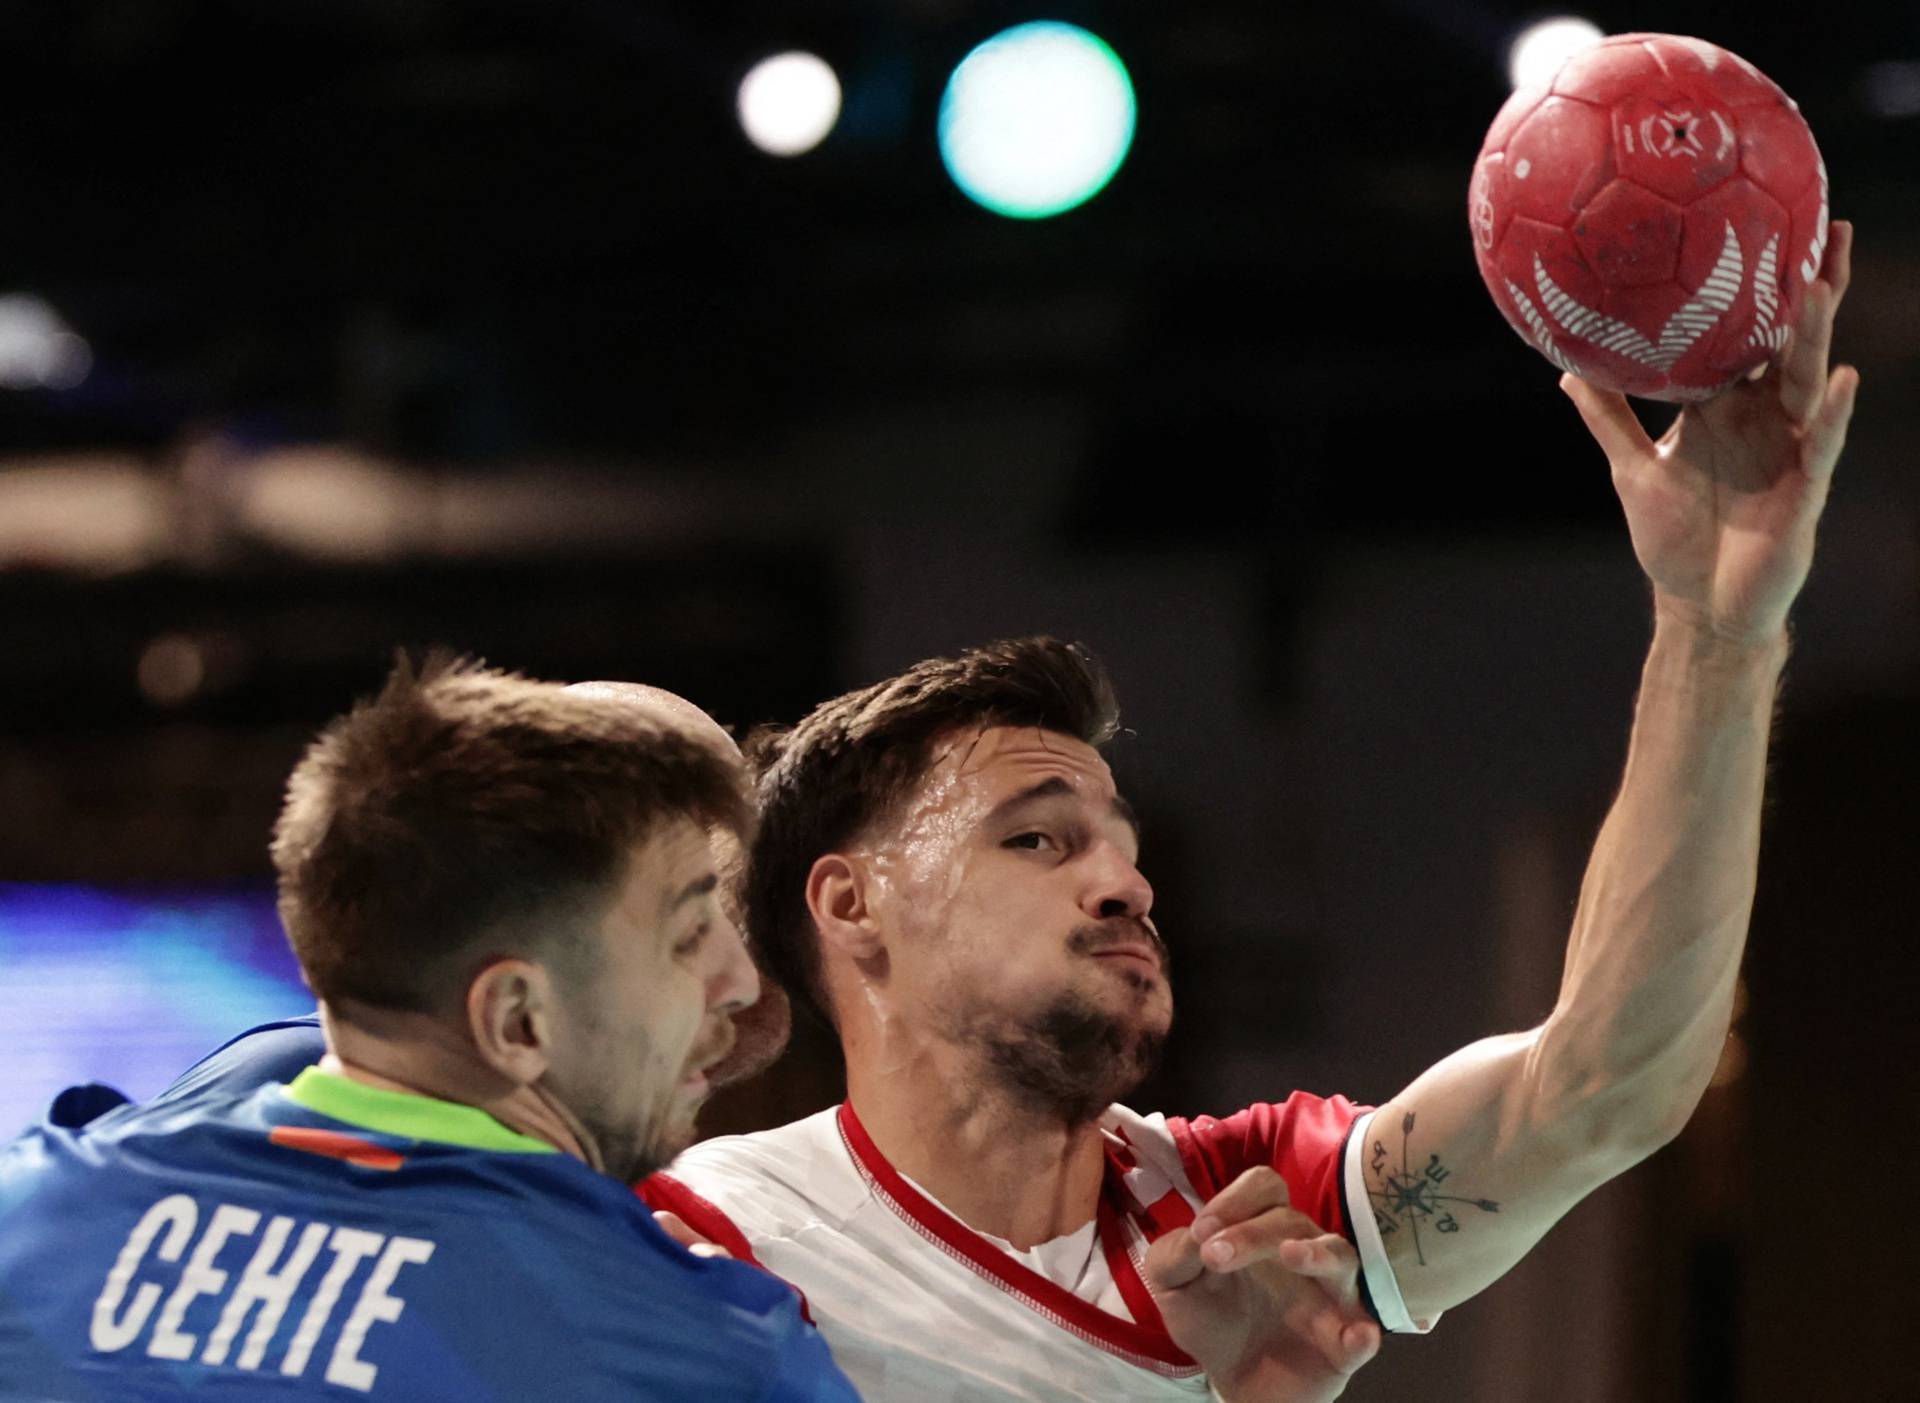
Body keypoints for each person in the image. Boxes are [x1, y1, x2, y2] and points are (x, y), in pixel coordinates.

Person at [637, 223, 1860, 1402]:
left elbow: (1603, 1087)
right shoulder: (705, 1246)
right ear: (854, 902)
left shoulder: (1248, 1201)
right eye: (1038, 837)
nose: (1125, 884)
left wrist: (1716, 631)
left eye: (1124, 845)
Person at [0, 658, 858, 1401]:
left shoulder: (32, 1201)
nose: (746, 985)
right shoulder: (710, 1350)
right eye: (686, 936)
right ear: (517, 1018)